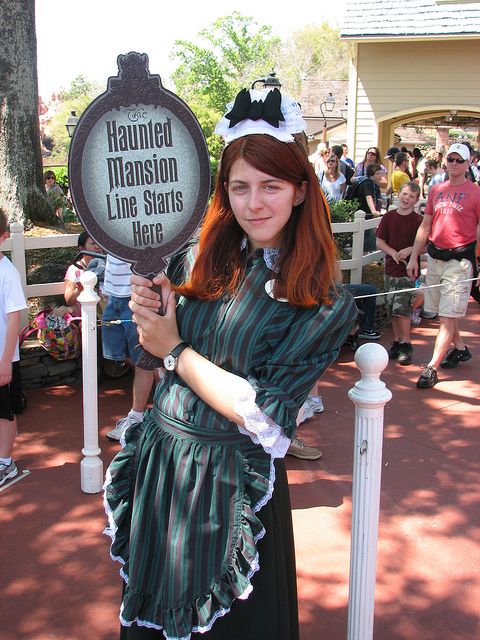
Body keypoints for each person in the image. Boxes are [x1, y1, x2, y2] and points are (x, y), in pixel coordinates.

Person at [104, 87, 357, 640]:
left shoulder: (321, 297)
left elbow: (264, 416)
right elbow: (157, 356)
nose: (254, 203)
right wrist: (157, 318)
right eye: (240, 187)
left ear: (300, 191)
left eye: (271, 186)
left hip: (228, 485)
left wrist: (175, 348)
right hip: (164, 467)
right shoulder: (201, 256)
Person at [407, 143, 480, 388]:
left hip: (459, 261)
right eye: (451, 159)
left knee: (447, 317)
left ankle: (431, 367)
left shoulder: (476, 193)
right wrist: (414, 256)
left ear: (468, 163)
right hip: (436, 257)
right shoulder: (437, 190)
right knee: (442, 312)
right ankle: (459, 347)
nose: (455, 164)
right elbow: (425, 226)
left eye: (460, 160)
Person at [101, 254, 155, 440]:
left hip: (136, 296)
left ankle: (136, 416)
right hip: (113, 295)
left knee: (143, 360)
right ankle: (167, 381)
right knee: (124, 356)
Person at [376, 182, 424, 365]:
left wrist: (410, 250)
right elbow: (380, 242)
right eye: (404, 194)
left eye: (411, 196)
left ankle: (406, 342)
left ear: (416, 200)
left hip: (408, 270)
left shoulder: (418, 221)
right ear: (399, 194)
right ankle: (397, 341)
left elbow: (425, 245)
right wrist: (392, 252)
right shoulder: (388, 217)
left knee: (402, 307)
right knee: (392, 308)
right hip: (391, 268)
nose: (406, 199)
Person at [0, 208, 27, 486]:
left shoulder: (7, 273)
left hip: (3, 357)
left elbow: (13, 318)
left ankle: (6, 463)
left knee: (4, 411)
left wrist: (6, 360)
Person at [344, 163, 388, 251]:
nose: (380, 176)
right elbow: (368, 196)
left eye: (381, 173)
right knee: (366, 243)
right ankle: (363, 262)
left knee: (363, 240)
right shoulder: (368, 182)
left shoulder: (364, 181)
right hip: (364, 215)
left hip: (359, 214)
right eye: (377, 174)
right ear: (371, 175)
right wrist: (373, 211)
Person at [64, 231, 103, 315]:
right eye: (93, 244)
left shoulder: (108, 266)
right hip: (84, 316)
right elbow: (69, 300)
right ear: (82, 249)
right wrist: (80, 289)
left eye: (99, 243)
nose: (98, 247)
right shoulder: (75, 269)